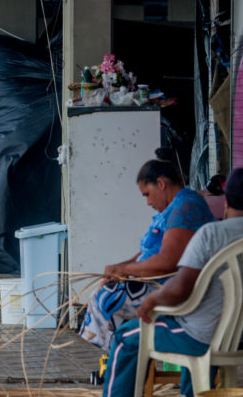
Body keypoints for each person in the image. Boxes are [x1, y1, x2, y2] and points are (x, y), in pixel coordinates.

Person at [100, 167, 243, 397]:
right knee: (200, 320)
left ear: (227, 201)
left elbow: (180, 289)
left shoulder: (212, 233)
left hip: (203, 338)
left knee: (125, 336)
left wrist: (152, 300)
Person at [79, 153, 214, 358]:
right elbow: (147, 252)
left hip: (175, 288)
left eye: (147, 194)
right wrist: (119, 269)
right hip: (158, 281)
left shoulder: (186, 206)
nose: (148, 202)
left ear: (161, 184)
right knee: (106, 289)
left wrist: (124, 270)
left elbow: (168, 261)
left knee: (107, 297)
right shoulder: (171, 209)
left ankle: (118, 357)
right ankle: (118, 357)